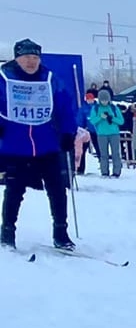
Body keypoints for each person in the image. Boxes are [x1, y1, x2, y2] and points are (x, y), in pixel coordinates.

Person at [0, 39, 78, 251]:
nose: (31, 62)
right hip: (16, 146)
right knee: (14, 191)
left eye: (35, 57)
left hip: (47, 145)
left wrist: (68, 133)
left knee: (57, 190)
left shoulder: (50, 79)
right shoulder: (4, 78)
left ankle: (61, 233)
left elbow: (64, 107)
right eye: (26, 57)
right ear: (17, 58)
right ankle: (7, 233)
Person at [89, 88, 123, 178]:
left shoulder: (114, 108)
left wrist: (112, 118)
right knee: (103, 154)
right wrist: (100, 117)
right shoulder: (95, 108)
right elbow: (92, 121)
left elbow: (121, 121)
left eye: (106, 100)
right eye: (103, 100)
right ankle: (104, 171)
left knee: (116, 153)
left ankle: (116, 172)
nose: (104, 102)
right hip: (101, 134)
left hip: (114, 133)